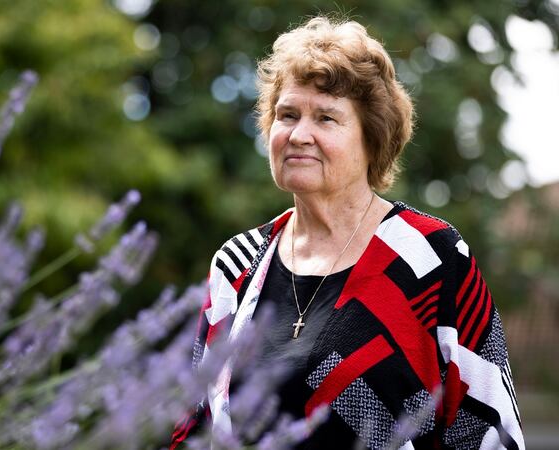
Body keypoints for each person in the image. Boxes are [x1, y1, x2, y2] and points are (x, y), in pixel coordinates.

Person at [170, 16, 524, 449]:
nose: (300, 134)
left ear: (371, 139)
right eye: (288, 115)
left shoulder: (432, 258)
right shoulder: (238, 264)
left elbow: (489, 428)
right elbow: (194, 425)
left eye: (325, 118)